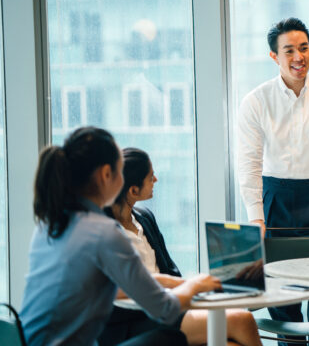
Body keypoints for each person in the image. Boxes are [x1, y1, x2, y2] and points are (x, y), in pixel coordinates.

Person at [20, 127, 222, 346]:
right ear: (106, 175)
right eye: (120, 169)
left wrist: (181, 282)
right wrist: (196, 285)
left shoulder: (50, 224)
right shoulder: (103, 233)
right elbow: (164, 310)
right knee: (171, 336)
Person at [237, 17, 309, 344]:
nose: (298, 56)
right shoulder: (256, 101)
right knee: (282, 304)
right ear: (274, 56)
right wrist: (255, 217)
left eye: (303, 48)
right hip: (273, 201)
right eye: (289, 50)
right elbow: (248, 163)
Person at [100, 147, 261, 346]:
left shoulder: (145, 218)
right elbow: (121, 284)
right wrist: (189, 285)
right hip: (131, 320)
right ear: (133, 190)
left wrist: (196, 289)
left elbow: (170, 270)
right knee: (242, 320)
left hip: (168, 306)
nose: (156, 180)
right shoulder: (103, 230)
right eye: (151, 177)